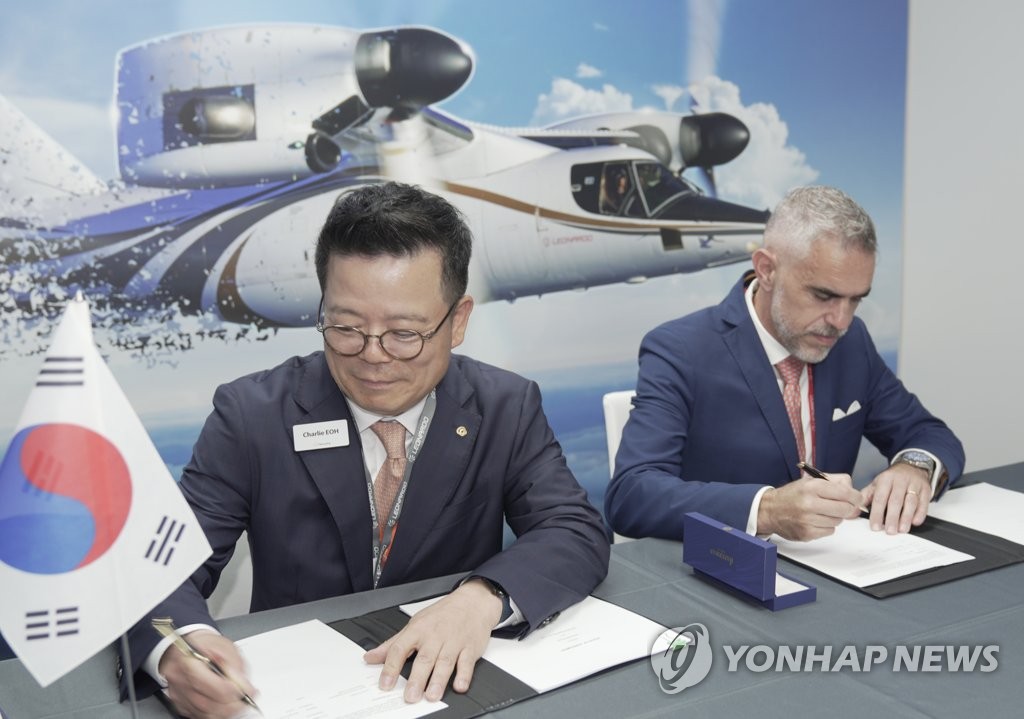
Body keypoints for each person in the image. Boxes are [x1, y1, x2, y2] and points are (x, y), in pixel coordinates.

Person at [122, 182, 610, 717]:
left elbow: (573, 529)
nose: (373, 355)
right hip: (298, 693)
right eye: (346, 327)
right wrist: (177, 648)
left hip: (450, 689)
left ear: (458, 321)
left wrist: (482, 597)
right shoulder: (251, 416)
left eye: (404, 333)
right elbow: (159, 571)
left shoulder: (504, 406)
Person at [605, 185, 964, 543]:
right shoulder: (681, 350)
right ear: (766, 270)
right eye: (823, 295)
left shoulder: (851, 342)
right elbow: (632, 494)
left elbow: (929, 434)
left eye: (856, 300)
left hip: (838, 563)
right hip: (722, 566)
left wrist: (914, 467)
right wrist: (767, 510)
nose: (841, 320)